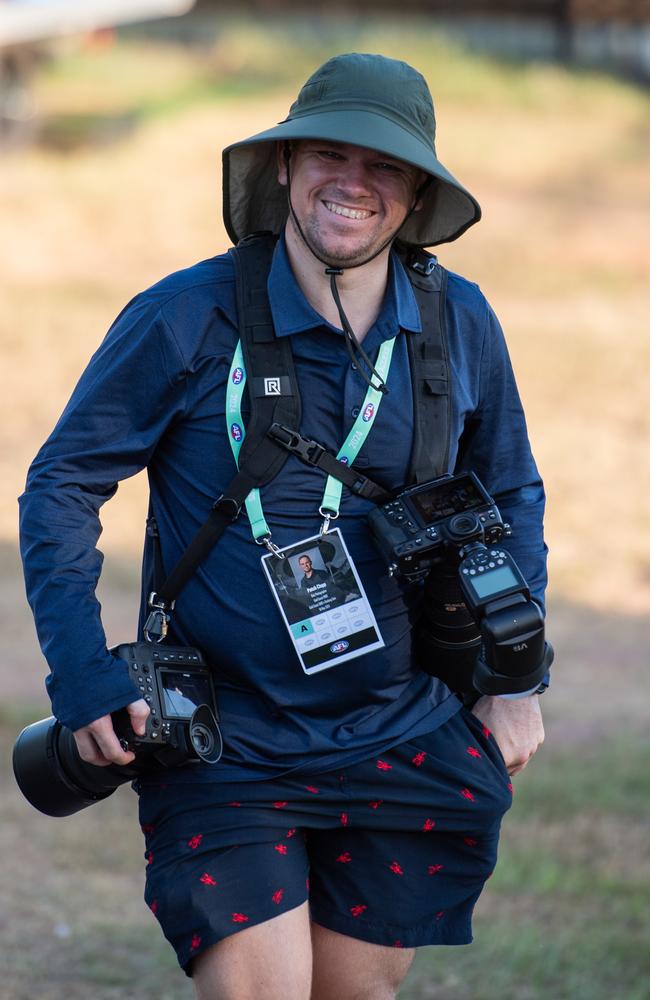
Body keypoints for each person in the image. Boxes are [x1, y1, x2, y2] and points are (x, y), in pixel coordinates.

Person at [19, 53, 548, 1000]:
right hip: (230, 737)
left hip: (400, 722)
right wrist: (82, 671)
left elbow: (509, 493)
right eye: (328, 155)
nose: (352, 183)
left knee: (355, 994)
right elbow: (61, 483)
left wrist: (517, 678)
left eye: (383, 164)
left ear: (417, 191)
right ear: (283, 167)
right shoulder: (184, 315)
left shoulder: (458, 319)